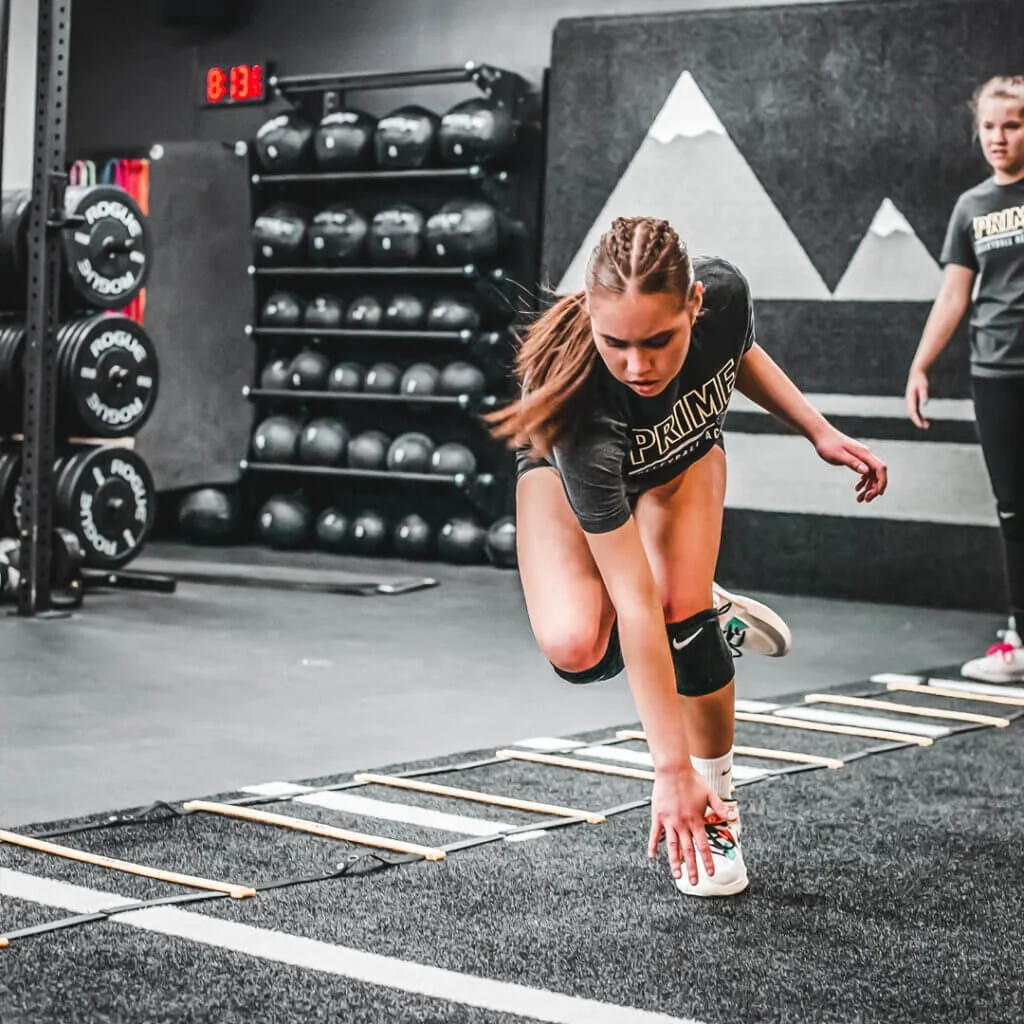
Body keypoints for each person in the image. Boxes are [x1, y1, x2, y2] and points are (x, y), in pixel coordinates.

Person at [488, 216, 887, 897]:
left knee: (683, 615)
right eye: (617, 344)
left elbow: (737, 355)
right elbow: (632, 601)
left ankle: (721, 808)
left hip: (682, 459)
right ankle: (709, 612)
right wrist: (664, 768)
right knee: (577, 646)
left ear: (695, 305)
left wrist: (815, 429)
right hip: (565, 482)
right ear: (588, 313)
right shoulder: (584, 412)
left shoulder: (724, 294)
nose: (638, 366)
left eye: (659, 341)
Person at [906, 75, 1024, 684]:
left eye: (1013, 125)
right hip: (996, 373)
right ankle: (1020, 636)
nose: (999, 138)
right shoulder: (972, 207)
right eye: (989, 127)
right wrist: (921, 364)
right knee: (1014, 509)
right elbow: (955, 295)